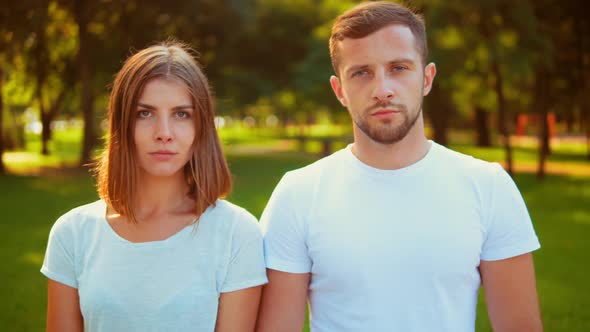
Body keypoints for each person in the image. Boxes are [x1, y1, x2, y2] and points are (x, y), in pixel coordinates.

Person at [256, 2, 542, 332]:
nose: (382, 90)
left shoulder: (488, 186)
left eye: (399, 68)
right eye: (361, 73)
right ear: (340, 90)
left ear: (427, 77)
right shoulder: (298, 194)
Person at [41, 41, 267, 332]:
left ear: (202, 127)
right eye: (144, 113)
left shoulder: (237, 233)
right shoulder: (72, 233)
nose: (164, 133)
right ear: (122, 124)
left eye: (181, 114)